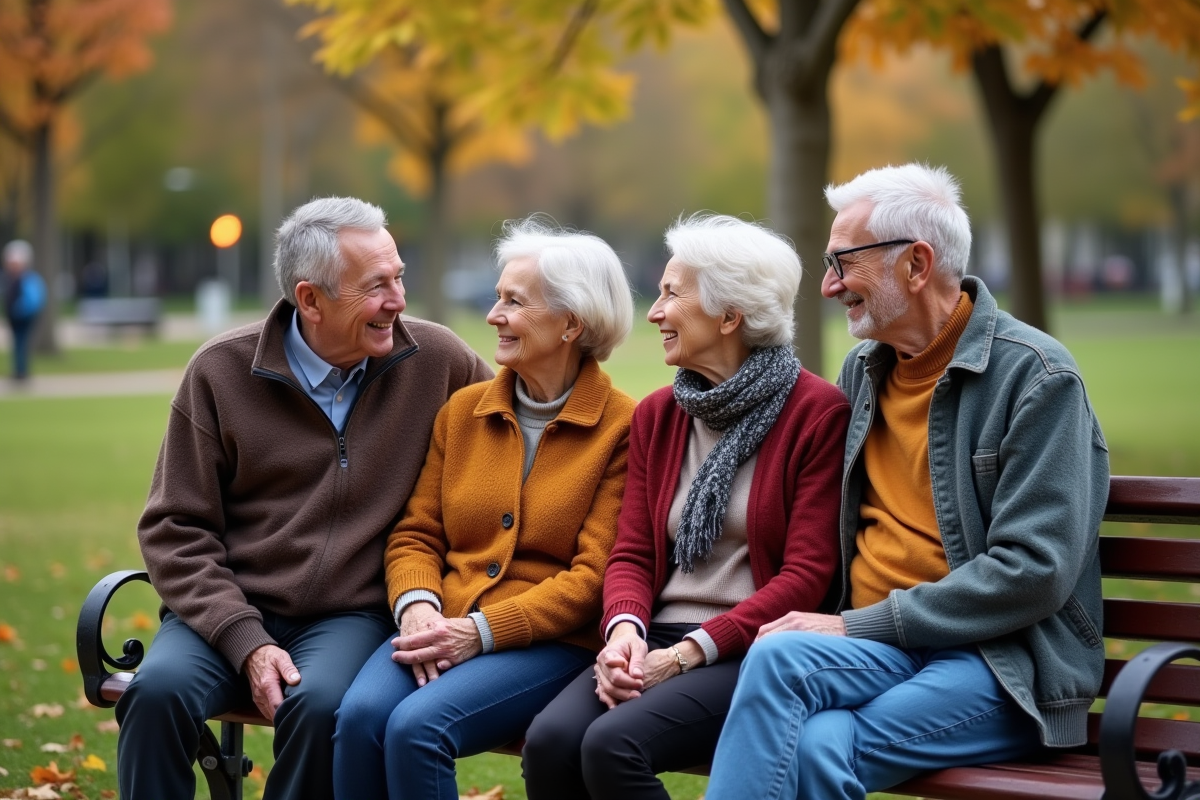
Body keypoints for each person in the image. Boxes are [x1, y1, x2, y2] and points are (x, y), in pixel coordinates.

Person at [704, 163, 1111, 800]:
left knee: (813, 741)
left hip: (997, 660)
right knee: (783, 669)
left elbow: (1035, 570)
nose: (829, 285)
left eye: (843, 263)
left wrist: (857, 626)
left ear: (916, 264)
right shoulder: (863, 372)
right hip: (879, 645)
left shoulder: (1037, 378)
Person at [115, 197, 493, 800]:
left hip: (351, 614)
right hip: (225, 608)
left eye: (399, 278)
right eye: (375, 286)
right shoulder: (219, 371)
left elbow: (516, 429)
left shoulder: (439, 361)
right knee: (155, 696)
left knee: (319, 709)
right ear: (310, 299)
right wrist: (245, 639)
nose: (397, 300)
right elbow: (173, 527)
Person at [522, 214, 850, 799]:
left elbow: (807, 576)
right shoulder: (659, 415)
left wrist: (685, 654)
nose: (654, 313)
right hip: (655, 634)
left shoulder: (816, 413)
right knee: (550, 742)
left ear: (729, 316)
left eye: (672, 294)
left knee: (612, 745)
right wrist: (624, 631)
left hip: (751, 649)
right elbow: (632, 551)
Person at [332, 216, 638, 800]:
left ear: (571, 323)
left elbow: (596, 576)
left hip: (553, 642)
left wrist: (480, 632)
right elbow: (416, 535)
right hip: (440, 622)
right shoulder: (463, 412)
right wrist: (417, 607)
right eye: (498, 298)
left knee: (417, 729)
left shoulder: (624, 427)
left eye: (514, 302)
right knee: (360, 719)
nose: (494, 315)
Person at [3, 239, 46, 382]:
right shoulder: (11, 279)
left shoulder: (28, 279)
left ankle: (21, 371)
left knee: (21, 343)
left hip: (24, 316)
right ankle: (19, 369)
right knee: (17, 344)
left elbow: (34, 299)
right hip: (14, 317)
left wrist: (20, 309)